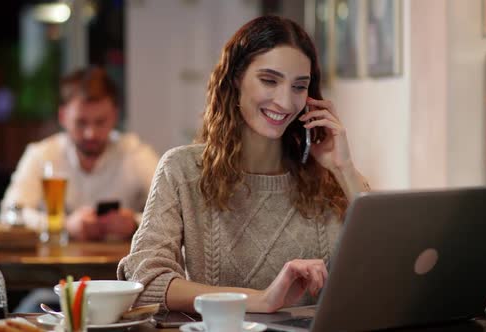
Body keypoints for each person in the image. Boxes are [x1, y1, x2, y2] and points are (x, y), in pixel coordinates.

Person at [117, 15, 370, 314]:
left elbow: (388, 269)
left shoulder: (330, 176)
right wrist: (261, 300)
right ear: (236, 77)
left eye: (299, 86)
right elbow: (144, 282)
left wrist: (344, 168)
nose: (286, 102)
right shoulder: (181, 170)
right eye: (269, 80)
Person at [0, 66, 159, 241]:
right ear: (63, 117)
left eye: (100, 122)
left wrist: (134, 223)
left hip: (120, 267)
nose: (90, 133)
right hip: (53, 267)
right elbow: (9, 213)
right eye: (81, 122)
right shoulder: (41, 155)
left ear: (114, 116)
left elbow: (174, 212)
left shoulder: (135, 153)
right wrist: (65, 226)